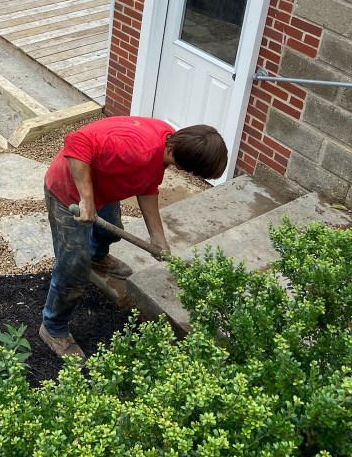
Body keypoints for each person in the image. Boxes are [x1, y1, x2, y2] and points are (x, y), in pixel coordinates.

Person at [39, 117, 228, 360]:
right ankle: (53, 328)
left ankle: (97, 258)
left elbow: (148, 185)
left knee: (109, 229)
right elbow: (76, 142)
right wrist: (86, 199)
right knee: (73, 267)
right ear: (187, 167)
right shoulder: (140, 149)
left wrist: (158, 238)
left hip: (103, 186)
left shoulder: (171, 142)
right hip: (68, 192)